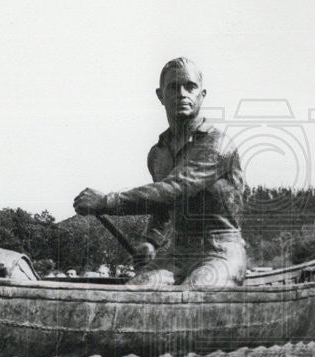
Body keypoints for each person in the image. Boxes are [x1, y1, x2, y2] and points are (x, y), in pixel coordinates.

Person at [73, 57, 247, 287]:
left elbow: (173, 189)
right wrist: (151, 242)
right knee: (132, 294)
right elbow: (162, 207)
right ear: (160, 95)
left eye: (190, 86)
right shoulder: (158, 154)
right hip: (177, 253)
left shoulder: (217, 144)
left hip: (221, 251)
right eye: (173, 87)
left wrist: (106, 201)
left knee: (192, 295)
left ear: (202, 95)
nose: (182, 93)